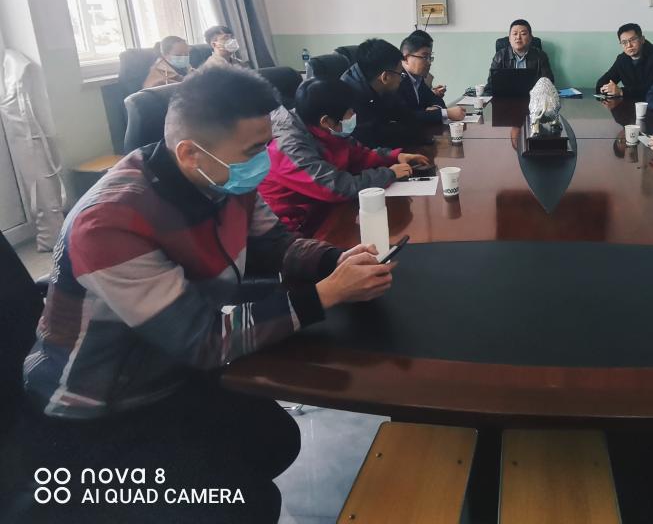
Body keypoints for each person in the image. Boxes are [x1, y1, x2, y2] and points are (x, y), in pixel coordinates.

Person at [20, 66, 394, 523]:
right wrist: (324, 295)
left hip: (170, 368)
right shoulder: (109, 223)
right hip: (100, 403)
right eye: (254, 151)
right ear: (190, 153)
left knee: (275, 440)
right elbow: (202, 339)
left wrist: (335, 261)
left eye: (266, 144)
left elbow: (275, 243)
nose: (265, 161)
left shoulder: (222, 177)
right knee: (244, 505)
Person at [260, 78, 430, 235]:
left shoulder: (322, 127)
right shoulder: (289, 147)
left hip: (326, 210)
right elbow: (336, 187)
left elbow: (358, 154)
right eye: (350, 112)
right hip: (296, 229)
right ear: (326, 121)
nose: (354, 115)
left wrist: (394, 156)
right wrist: (389, 174)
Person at [341, 38, 422, 148]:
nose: (401, 79)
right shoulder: (349, 96)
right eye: (400, 74)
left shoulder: (379, 84)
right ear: (385, 77)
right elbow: (373, 138)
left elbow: (406, 115)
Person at [397, 30, 466, 124]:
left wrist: (436, 108)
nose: (429, 63)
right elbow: (407, 117)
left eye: (430, 57)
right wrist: (445, 113)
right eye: (425, 57)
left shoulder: (417, 78)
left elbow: (435, 99)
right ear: (406, 58)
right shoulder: (396, 80)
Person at [595, 23, 653, 101]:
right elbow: (603, 81)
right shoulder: (622, 59)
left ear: (642, 39)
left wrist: (621, 91)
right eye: (624, 42)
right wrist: (605, 89)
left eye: (633, 40)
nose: (629, 45)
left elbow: (652, 90)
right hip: (629, 104)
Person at [484, 19, 554, 94]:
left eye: (523, 34)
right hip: (506, 98)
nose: (518, 37)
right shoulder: (499, 56)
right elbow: (490, 87)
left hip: (533, 99)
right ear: (509, 38)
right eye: (515, 34)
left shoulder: (540, 56)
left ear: (530, 38)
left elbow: (548, 83)